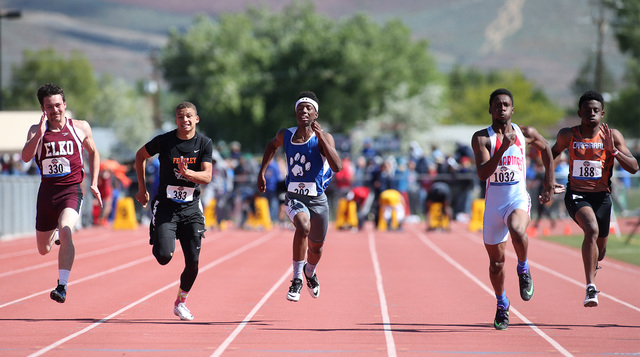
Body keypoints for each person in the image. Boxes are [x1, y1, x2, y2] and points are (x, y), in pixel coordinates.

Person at [471, 88, 561, 330]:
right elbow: (483, 174)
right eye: (497, 104)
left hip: (517, 198)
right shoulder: (481, 138)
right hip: (493, 204)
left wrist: (548, 182)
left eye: (506, 104)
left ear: (512, 109)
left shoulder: (526, 133)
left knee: (517, 229)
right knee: (496, 264)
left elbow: (547, 151)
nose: (502, 108)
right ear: (490, 109)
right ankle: (502, 304)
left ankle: (523, 267)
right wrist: (502, 148)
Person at [551, 90, 638, 307]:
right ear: (579, 113)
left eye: (596, 110)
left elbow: (634, 167)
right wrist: (548, 180)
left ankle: (593, 263)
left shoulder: (612, 136)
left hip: (602, 197)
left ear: (602, 113)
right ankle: (591, 287)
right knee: (591, 229)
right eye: (587, 110)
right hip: (577, 194)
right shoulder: (568, 135)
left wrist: (614, 152)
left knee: (601, 252)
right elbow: (553, 153)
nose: (591, 113)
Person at [21, 83, 103, 303]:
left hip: (72, 191)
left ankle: (62, 286)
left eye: (58, 105)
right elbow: (26, 157)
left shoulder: (80, 127)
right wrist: (38, 135)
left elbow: (94, 152)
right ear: (43, 109)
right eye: (50, 106)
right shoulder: (35, 130)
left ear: (65, 104)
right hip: (47, 194)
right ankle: (55, 234)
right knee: (43, 249)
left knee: (66, 231)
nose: (55, 110)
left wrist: (94, 182)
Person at [257, 91, 342, 302]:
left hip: (318, 199)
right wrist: (262, 172)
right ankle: (296, 279)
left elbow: (337, 167)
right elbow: (271, 146)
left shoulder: (325, 137)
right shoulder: (285, 135)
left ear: (316, 114)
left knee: (317, 248)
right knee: (302, 227)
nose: (303, 111)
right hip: (294, 196)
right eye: (300, 108)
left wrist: (322, 138)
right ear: (295, 112)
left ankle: (310, 272)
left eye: (308, 108)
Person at [135, 102, 213, 320]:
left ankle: (181, 302)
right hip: (166, 207)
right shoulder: (165, 140)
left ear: (196, 119)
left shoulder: (204, 143)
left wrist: (188, 174)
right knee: (163, 256)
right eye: (180, 117)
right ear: (175, 120)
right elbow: (140, 156)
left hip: (191, 208)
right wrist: (142, 189)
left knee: (194, 262)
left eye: (189, 116)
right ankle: (158, 233)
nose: (185, 120)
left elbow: (207, 177)